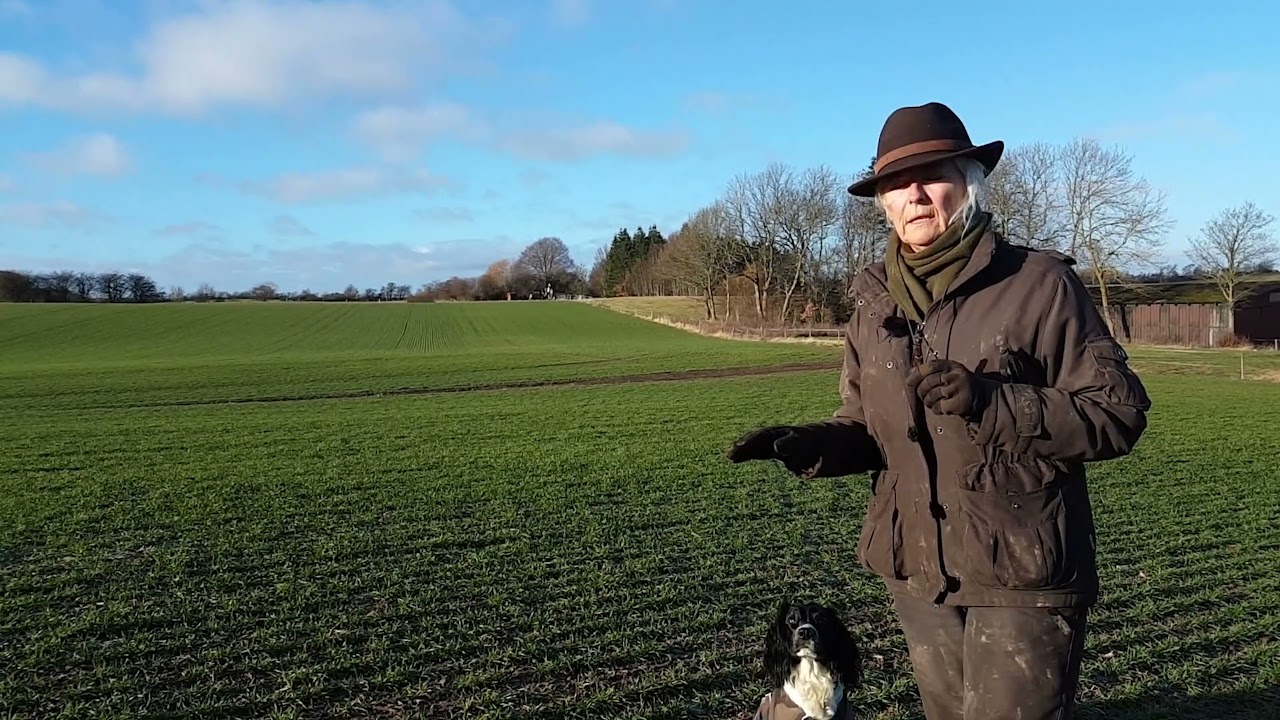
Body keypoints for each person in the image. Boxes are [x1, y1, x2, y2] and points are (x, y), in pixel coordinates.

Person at [726, 102, 1151, 720]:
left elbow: (1117, 413)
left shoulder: (1038, 285)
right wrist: (817, 445)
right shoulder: (873, 304)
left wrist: (990, 401)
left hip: (1021, 570)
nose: (915, 195)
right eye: (897, 184)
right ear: (883, 203)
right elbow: (867, 423)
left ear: (969, 183)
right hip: (919, 571)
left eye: (932, 176)